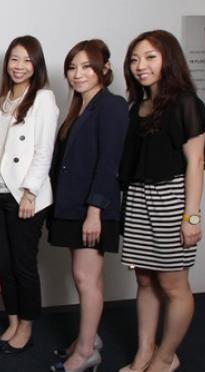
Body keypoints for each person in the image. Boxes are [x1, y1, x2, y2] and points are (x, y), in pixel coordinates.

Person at [118, 30, 205, 372]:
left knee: (174, 284)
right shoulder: (136, 107)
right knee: (144, 279)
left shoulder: (186, 103)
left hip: (171, 200)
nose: (140, 65)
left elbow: (196, 162)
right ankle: (145, 351)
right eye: (134, 59)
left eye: (150, 57)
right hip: (137, 198)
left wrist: (191, 217)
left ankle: (166, 357)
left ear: (168, 59)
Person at [47, 39, 128, 372]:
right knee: (85, 277)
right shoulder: (79, 106)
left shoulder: (111, 106)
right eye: (72, 67)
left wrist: (95, 211)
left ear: (104, 69)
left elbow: (110, 162)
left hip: (91, 209)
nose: (77, 74)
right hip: (71, 205)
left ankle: (85, 353)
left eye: (86, 67)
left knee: (86, 278)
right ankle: (88, 340)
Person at [0, 35, 59, 354]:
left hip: (23, 196)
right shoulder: (0, 102)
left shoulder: (43, 99)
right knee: (2, 262)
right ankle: (12, 321)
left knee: (23, 264)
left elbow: (44, 151)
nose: (20, 66)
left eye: (27, 60)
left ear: (36, 65)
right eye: (15, 58)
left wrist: (30, 193)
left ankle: (26, 327)